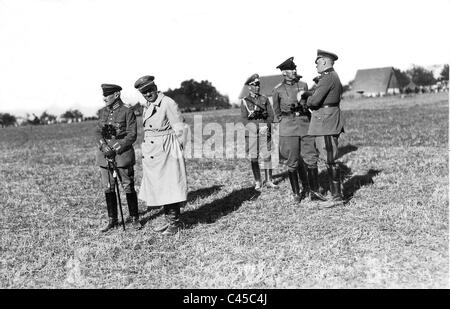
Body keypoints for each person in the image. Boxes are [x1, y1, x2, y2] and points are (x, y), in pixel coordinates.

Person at [134, 75, 188, 236]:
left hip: (167, 150)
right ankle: (169, 221)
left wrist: (177, 149)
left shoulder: (167, 102)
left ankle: (175, 223)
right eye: (144, 92)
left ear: (155, 87)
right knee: (161, 187)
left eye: (150, 90)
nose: (148, 94)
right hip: (154, 152)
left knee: (170, 186)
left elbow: (180, 127)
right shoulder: (148, 105)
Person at [272, 57, 327, 203]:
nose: (295, 71)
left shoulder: (303, 84)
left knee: (311, 158)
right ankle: (296, 193)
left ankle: (314, 191)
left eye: (295, 68)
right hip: (288, 128)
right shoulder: (277, 90)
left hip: (305, 125)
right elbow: (276, 112)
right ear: (284, 72)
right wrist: (285, 122)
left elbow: (309, 102)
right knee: (292, 161)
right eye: (291, 69)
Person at [299, 49, 345, 208]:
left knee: (330, 159)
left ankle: (337, 197)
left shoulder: (327, 78)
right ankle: (335, 195)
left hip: (326, 123)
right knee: (328, 157)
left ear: (324, 61)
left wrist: (305, 97)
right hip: (325, 121)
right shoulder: (330, 77)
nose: (316, 65)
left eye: (317, 62)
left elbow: (314, 101)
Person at [95, 83, 141, 231]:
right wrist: (103, 146)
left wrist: (114, 149)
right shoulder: (102, 112)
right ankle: (112, 219)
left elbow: (132, 135)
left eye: (106, 95)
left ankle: (134, 218)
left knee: (128, 186)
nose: (104, 99)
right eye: (103, 95)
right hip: (104, 156)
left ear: (116, 95)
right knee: (108, 188)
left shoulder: (127, 111)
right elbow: (97, 132)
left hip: (121, 156)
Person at [241, 73, 278, 190]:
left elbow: (271, 116)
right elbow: (244, 119)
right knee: (254, 157)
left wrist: (265, 126)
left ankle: (269, 180)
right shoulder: (245, 101)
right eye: (255, 85)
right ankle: (258, 181)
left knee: (267, 156)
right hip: (252, 132)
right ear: (249, 86)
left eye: (258, 85)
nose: (258, 87)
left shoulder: (264, 99)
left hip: (264, 130)